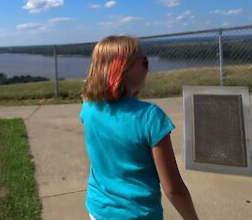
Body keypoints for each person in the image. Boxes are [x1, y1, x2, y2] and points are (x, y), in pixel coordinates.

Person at [80, 35, 198, 219]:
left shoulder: (88, 108)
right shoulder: (150, 117)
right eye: (144, 62)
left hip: (97, 209)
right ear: (123, 69)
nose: (147, 68)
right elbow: (173, 189)